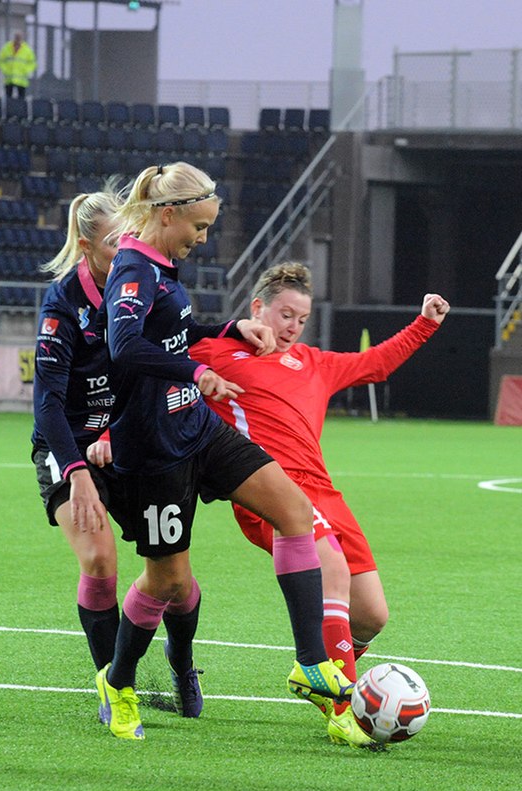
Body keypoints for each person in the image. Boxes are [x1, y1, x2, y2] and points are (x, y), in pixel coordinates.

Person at [93, 162, 355, 741]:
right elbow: (125, 346)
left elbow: (172, 332)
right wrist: (196, 369)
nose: (203, 238)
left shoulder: (164, 265)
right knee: (166, 583)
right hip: (155, 449)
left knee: (292, 512)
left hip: (198, 428)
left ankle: (310, 663)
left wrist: (230, 329)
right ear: (169, 214)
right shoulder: (133, 268)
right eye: (200, 226)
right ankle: (118, 681)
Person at [189, 261, 450, 749]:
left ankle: (327, 668)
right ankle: (342, 706)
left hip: (324, 491)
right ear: (257, 308)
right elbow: (156, 360)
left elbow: (376, 363)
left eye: (301, 319)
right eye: (285, 314)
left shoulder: (314, 363)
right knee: (328, 563)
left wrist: (425, 323)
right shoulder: (216, 353)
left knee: (372, 614)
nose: (292, 327)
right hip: (267, 488)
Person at [32, 188, 124, 677]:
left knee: (172, 565)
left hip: (121, 440)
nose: (124, 250)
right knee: (99, 558)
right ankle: (113, 683)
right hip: (66, 446)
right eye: (113, 242)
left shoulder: (139, 287)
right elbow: (46, 403)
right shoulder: (63, 303)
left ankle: (182, 661)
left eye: (128, 238)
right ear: (87, 246)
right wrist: (77, 471)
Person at [0, 31, 37, 99]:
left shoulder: (27, 50)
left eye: (19, 37)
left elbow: (33, 63)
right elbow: (0, 60)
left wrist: (26, 70)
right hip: (9, 79)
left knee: (21, 99)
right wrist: (5, 70)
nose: (18, 39)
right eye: (17, 37)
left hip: (22, 80)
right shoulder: (6, 48)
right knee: (8, 99)